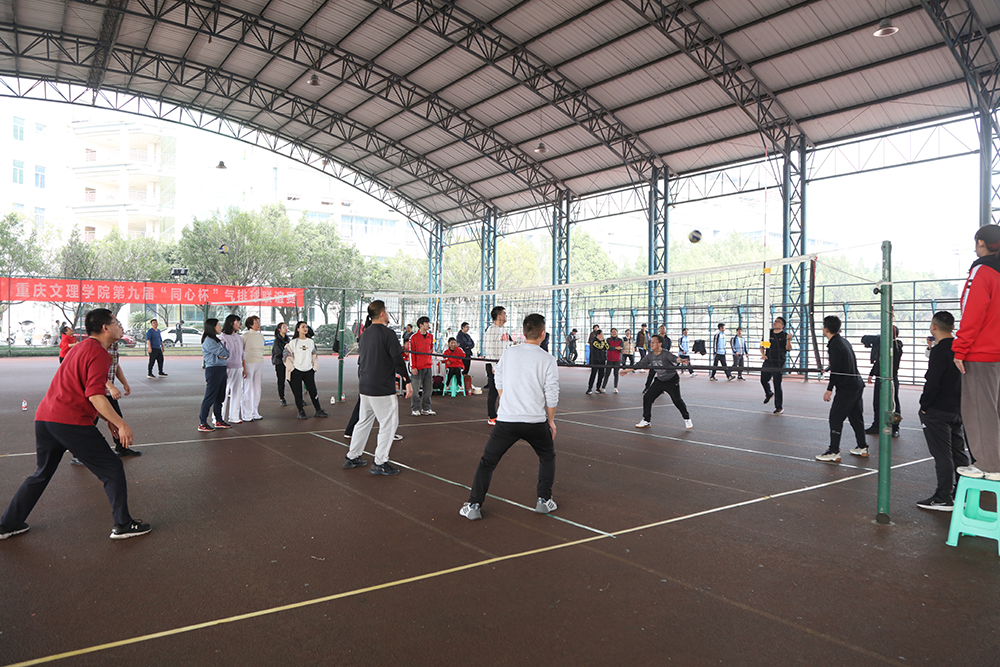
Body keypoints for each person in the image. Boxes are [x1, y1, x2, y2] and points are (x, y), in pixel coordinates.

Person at [0, 308, 151, 541]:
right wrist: (121, 424)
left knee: (41, 473)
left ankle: (8, 524)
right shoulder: (100, 353)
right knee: (112, 468)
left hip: (45, 418)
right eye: (116, 322)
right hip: (70, 421)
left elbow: (80, 388)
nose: (120, 326)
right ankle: (122, 524)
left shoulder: (79, 348)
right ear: (105, 328)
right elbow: (95, 395)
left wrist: (107, 419)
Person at [459, 313, 559, 521]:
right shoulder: (548, 359)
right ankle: (544, 500)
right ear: (543, 334)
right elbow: (552, 392)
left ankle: (474, 505)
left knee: (488, 461)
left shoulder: (509, 353)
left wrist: (506, 400)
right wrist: (550, 421)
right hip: (535, 421)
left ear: (523, 333)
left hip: (507, 421)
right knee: (547, 457)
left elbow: (498, 379)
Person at [952, 224, 1000, 480]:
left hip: (982, 353)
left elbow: (973, 311)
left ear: (981, 242)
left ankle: (989, 465)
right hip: (997, 354)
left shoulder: (982, 271)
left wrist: (960, 348)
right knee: (994, 410)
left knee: (979, 410)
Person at [345, 300, 412, 475]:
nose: (387, 314)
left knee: (363, 421)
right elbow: (398, 360)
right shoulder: (388, 334)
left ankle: (352, 456)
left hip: (365, 386)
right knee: (389, 424)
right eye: (387, 311)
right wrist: (407, 381)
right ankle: (380, 462)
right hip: (382, 388)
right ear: (382, 314)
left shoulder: (365, 334)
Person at [917, 311, 969, 511]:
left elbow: (933, 382)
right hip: (957, 408)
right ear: (953, 327)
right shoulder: (960, 348)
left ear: (934, 327)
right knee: (958, 452)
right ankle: (962, 494)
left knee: (942, 454)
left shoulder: (939, 351)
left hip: (938, 409)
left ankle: (943, 497)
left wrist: (924, 406)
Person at [816, 316, 867, 463]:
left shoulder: (834, 344)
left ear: (826, 329)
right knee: (855, 417)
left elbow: (837, 370)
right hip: (856, 384)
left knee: (835, 417)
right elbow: (839, 363)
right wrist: (827, 368)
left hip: (848, 387)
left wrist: (829, 389)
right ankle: (862, 446)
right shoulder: (843, 341)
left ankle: (834, 451)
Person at [623, 334, 692, 430]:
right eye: (651, 342)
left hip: (671, 380)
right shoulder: (650, 355)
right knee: (647, 397)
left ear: (660, 344)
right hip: (660, 380)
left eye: (654, 342)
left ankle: (687, 418)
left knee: (677, 400)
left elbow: (674, 358)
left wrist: (681, 360)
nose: (651, 344)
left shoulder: (665, 353)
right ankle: (646, 420)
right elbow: (640, 364)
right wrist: (627, 370)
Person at [284, 321, 329, 420]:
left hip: (309, 370)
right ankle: (301, 411)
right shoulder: (293, 343)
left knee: (313, 391)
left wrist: (314, 368)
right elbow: (286, 357)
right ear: (298, 329)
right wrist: (292, 369)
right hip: (296, 371)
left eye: (306, 327)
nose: (305, 329)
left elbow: (314, 355)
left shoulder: (310, 342)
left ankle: (318, 410)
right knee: (298, 393)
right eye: (303, 327)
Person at [865, 326, 903, 437]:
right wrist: (872, 373)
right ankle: (877, 425)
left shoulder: (896, 346)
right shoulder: (882, 345)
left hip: (891, 379)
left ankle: (895, 427)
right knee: (877, 402)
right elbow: (878, 360)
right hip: (880, 377)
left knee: (893, 404)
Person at [198, 319, 231, 432]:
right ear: (212, 327)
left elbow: (227, 353)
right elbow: (223, 353)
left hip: (221, 369)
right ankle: (202, 423)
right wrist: (222, 355)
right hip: (213, 370)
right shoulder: (209, 341)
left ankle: (219, 420)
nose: (220, 327)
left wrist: (222, 355)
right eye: (218, 325)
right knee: (210, 397)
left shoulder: (216, 340)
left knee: (220, 397)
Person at [483, 306, 512, 425]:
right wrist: (494, 366)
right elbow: (488, 349)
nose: (506, 316)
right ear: (499, 316)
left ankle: (504, 414)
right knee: (494, 391)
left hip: (504, 364)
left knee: (506, 390)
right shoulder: (492, 330)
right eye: (504, 314)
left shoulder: (504, 329)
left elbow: (507, 346)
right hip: (494, 364)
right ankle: (492, 416)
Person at [219, 315, 248, 424]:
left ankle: (234, 416)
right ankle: (218, 417)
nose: (240, 324)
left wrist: (244, 368)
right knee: (223, 392)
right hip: (227, 367)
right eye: (238, 322)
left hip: (238, 367)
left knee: (237, 392)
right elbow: (220, 355)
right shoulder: (222, 337)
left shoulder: (238, 337)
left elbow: (242, 354)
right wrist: (223, 369)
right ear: (231, 323)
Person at [761, 316, 792, 414]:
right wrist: (763, 354)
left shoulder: (785, 335)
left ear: (782, 326)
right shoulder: (769, 333)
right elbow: (763, 346)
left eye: (778, 321)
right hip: (768, 361)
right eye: (775, 321)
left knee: (777, 384)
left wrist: (788, 340)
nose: (775, 322)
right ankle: (769, 393)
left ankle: (779, 407)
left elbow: (788, 349)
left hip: (779, 363)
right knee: (763, 379)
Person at [408, 316, 435, 416]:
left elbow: (431, 349)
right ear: (421, 325)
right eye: (426, 323)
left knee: (428, 390)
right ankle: (415, 408)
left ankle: (426, 408)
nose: (428, 325)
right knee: (415, 390)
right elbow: (411, 353)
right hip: (417, 367)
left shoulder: (430, 336)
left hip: (428, 366)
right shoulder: (413, 337)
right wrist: (413, 367)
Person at [241, 315, 265, 421]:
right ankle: (247, 413)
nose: (258, 324)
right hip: (248, 362)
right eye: (256, 322)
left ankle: (255, 411)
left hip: (259, 362)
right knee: (248, 388)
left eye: (259, 322)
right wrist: (243, 366)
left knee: (257, 388)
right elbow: (241, 351)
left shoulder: (261, 336)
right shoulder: (245, 336)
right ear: (250, 325)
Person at [271, 322, 291, 406]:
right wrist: (286, 353)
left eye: (286, 327)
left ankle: (298, 397)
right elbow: (278, 352)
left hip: (288, 362)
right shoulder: (277, 340)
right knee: (281, 380)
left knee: (292, 380)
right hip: (280, 363)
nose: (286, 328)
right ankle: (282, 398)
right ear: (279, 329)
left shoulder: (288, 339)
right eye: (284, 327)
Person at [587, 330, 609, 395]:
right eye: (602, 334)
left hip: (602, 360)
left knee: (601, 375)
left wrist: (604, 341)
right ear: (598, 335)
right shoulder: (594, 341)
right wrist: (602, 341)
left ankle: (598, 388)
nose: (603, 336)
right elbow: (600, 347)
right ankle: (589, 388)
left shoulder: (603, 341)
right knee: (593, 374)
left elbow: (607, 347)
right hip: (595, 360)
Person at [603, 328, 623, 393]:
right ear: (610, 333)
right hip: (609, 359)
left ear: (617, 332)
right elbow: (608, 347)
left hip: (617, 359)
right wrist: (616, 348)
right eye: (612, 332)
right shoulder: (608, 339)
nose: (614, 333)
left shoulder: (620, 340)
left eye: (615, 331)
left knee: (616, 374)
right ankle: (603, 387)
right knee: (607, 374)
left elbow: (621, 348)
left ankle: (615, 387)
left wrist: (617, 348)